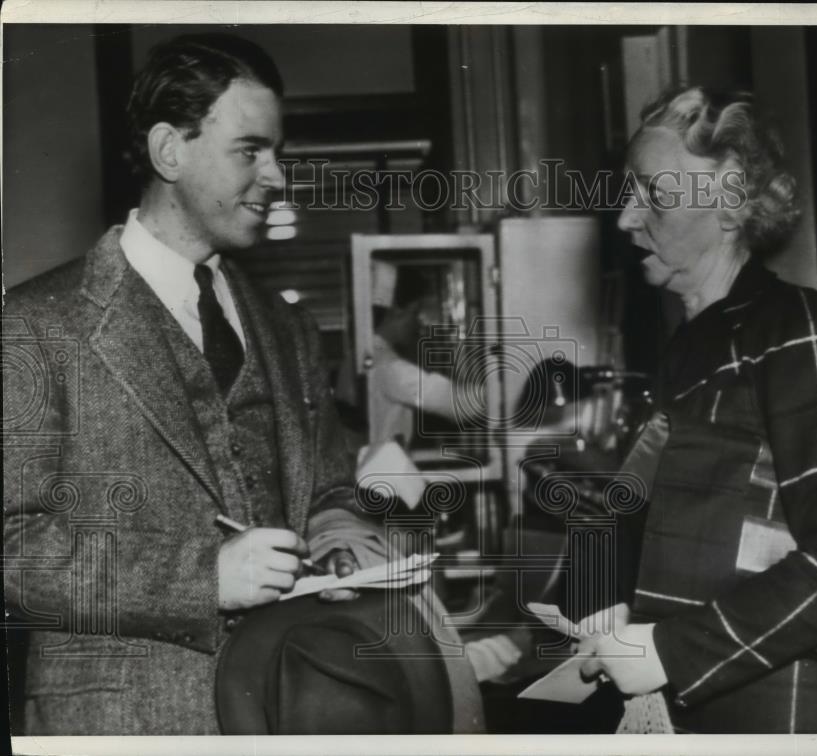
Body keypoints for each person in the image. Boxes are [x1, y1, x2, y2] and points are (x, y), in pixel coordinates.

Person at [3, 34, 385, 735]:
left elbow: (328, 490)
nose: (276, 176)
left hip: (291, 704)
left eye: (278, 152)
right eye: (250, 150)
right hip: (127, 724)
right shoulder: (34, 325)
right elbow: (13, 552)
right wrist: (200, 578)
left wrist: (344, 541)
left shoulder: (286, 328)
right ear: (168, 151)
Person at [578, 87, 817, 733]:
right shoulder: (691, 347)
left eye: (651, 194)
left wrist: (669, 650)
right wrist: (616, 608)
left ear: (729, 197)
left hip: (783, 713)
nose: (626, 219)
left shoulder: (796, 326)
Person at [367, 265, 483, 448]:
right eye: (414, 312)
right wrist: (508, 391)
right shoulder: (388, 366)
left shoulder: (370, 354)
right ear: (396, 312)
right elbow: (456, 403)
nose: (418, 320)